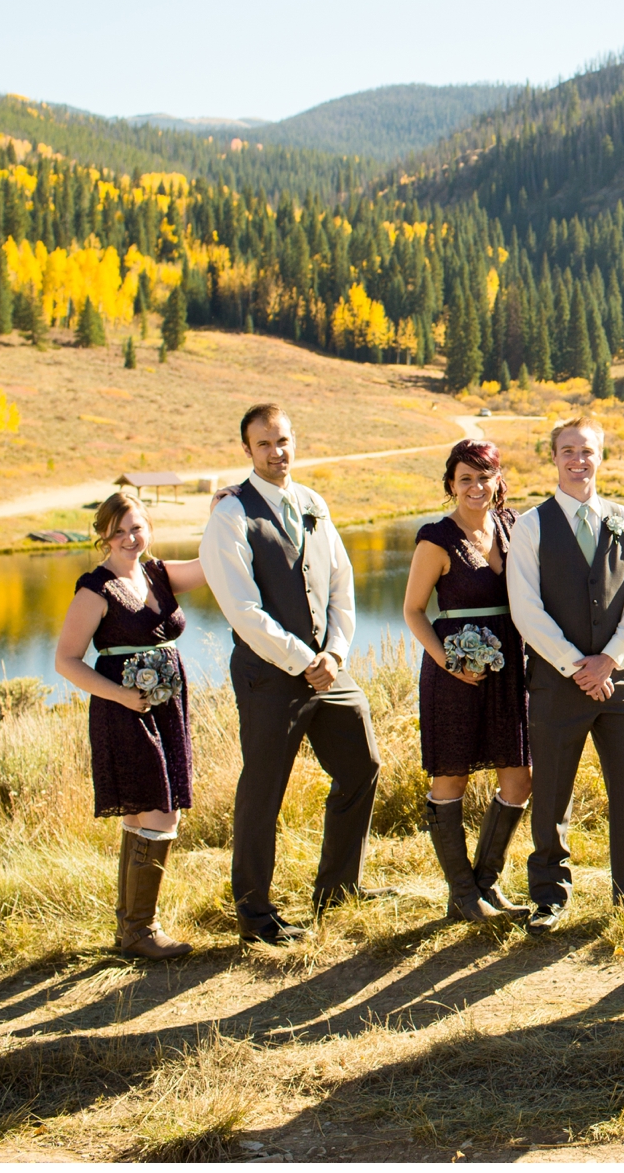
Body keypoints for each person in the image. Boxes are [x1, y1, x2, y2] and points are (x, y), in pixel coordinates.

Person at [200, 403, 383, 946]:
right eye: (264, 444)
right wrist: (305, 660)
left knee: (361, 765)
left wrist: (335, 651)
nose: (277, 452)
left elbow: (340, 586)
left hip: (328, 670)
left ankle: (338, 890)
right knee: (263, 792)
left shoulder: (314, 504)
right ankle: (255, 917)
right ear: (247, 451)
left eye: (284, 441)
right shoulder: (230, 515)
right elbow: (242, 610)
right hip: (269, 677)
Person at [504, 416, 624, 932]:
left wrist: (610, 660)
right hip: (556, 682)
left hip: (622, 680)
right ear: (554, 458)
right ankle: (549, 895)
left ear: (601, 457)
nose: (578, 459)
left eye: (587, 450)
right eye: (568, 450)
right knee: (551, 792)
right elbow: (526, 610)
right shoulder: (530, 526)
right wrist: (577, 666)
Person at [54, 492, 208, 959]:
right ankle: (141, 929)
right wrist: (122, 695)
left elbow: (212, 564)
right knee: (160, 812)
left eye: (136, 528)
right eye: (119, 531)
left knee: (143, 814)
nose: (129, 538)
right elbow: (65, 660)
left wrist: (223, 511)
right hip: (124, 710)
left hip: (165, 708)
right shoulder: (95, 589)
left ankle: (130, 932)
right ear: (103, 536)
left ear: (149, 528)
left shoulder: (158, 573)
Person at [401, 439, 533, 923]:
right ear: (451, 485)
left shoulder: (514, 525)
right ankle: (462, 894)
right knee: (451, 774)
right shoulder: (436, 538)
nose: (476, 487)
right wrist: (448, 662)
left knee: (520, 777)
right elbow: (413, 611)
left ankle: (486, 884)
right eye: (465, 479)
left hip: (512, 667)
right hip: (457, 672)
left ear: (499, 479)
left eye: (485, 476)